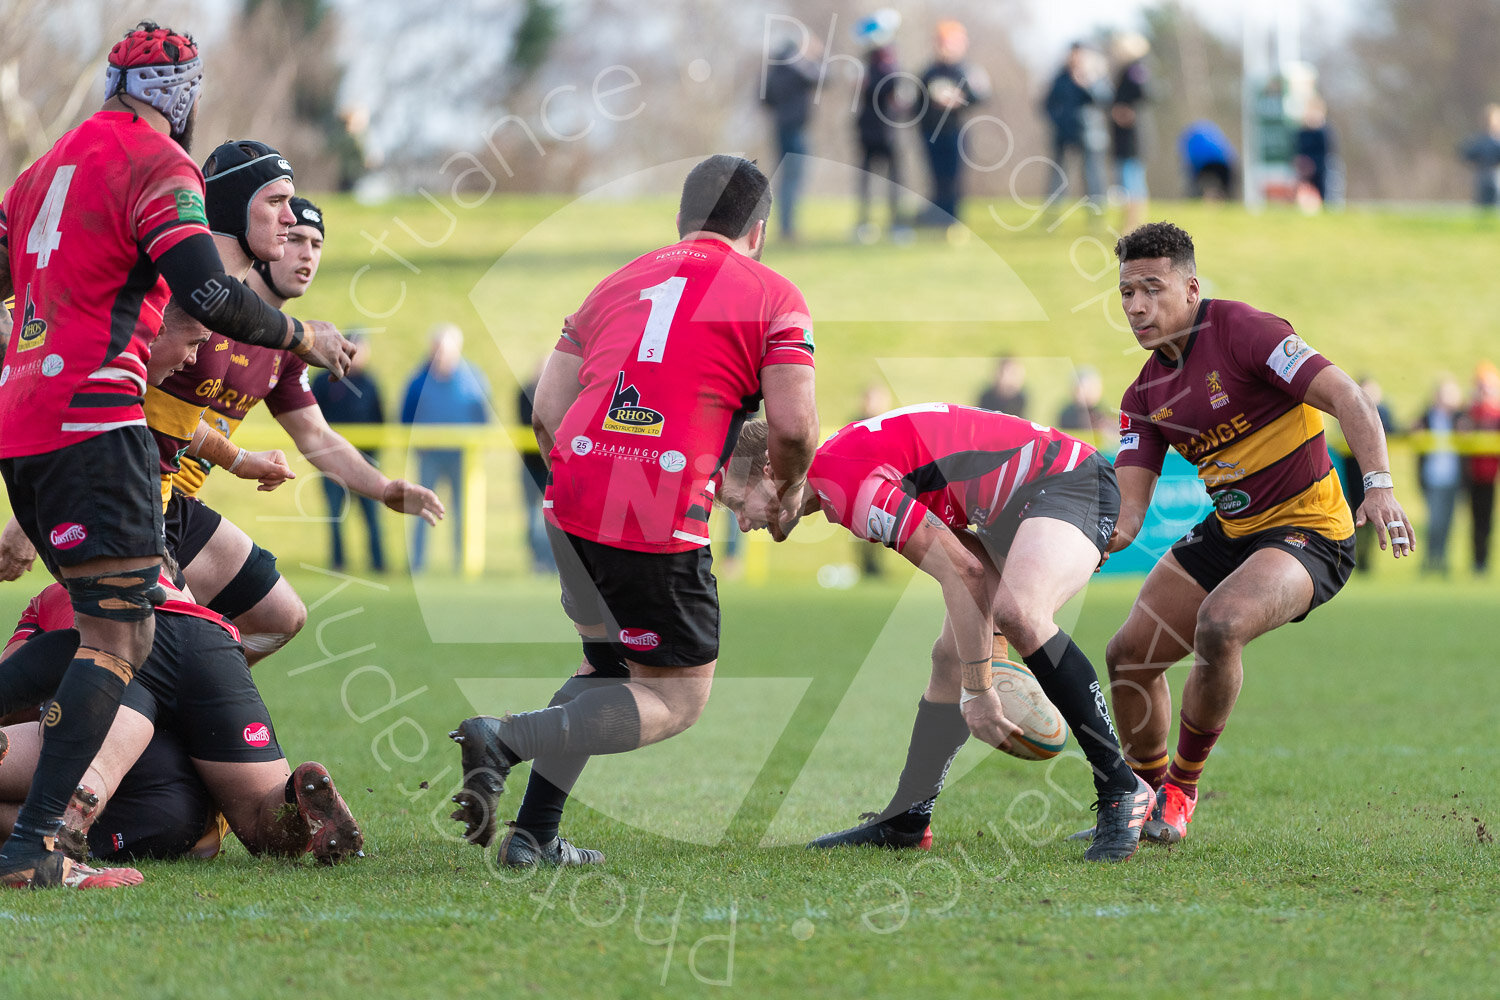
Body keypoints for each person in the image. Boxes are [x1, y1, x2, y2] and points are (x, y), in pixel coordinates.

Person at [0, 21, 353, 890]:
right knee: (122, 633)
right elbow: (208, 290)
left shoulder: (42, 170)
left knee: (109, 627)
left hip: (25, 421)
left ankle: (46, 829)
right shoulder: (159, 163)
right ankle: (37, 849)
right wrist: (301, 336)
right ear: (185, 97)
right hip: (97, 420)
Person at [449, 155, 819, 867]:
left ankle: (533, 835)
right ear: (758, 231)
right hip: (655, 514)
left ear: (680, 220)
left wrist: (588, 482)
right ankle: (505, 739)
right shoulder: (773, 293)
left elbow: (547, 411)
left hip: (569, 501)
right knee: (677, 699)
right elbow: (796, 427)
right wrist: (790, 490)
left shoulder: (617, 282)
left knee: (607, 669)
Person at [723, 404, 1153, 862]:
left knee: (1019, 614)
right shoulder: (839, 472)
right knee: (951, 657)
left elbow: (964, 572)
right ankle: (907, 819)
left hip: (1068, 479)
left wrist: (980, 691)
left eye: (737, 504)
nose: (743, 523)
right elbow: (959, 554)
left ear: (769, 471)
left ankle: (1121, 788)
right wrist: (979, 662)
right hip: (1012, 508)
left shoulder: (846, 483)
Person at [1102, 222, 1413, 846]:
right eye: (1127, 293)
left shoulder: (1245, 330)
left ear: (1192, 289)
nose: (1137, 307)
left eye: (1152, 289)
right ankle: (1143, 799)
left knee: (1220, 624)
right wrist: (1058, 542)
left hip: (1311, 530)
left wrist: (1378, 485)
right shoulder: (1143, 397)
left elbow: (1349, 397)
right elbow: (1127, 518)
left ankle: (1181, 790)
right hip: (1231, 530)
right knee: (1128, 657)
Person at [149, 182, 442, 662]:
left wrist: (384, 488)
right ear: (262, 244)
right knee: (161, 643)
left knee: (279, 618)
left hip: (179, 506)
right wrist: (238, 458)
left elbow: (317, 435)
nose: (306, 253)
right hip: (136, 491)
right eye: (295, 238)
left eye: (317, 244)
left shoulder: (284, 350)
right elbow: (143, 406)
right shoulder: (204, 306)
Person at [0, 570, 363, 867]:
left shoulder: (47, 601)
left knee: (89, 761)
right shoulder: (161, 567)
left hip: (119, 642)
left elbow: (12, 690)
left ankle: (69, 813)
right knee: (261, 823)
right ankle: (291, 799)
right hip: (208, 639)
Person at [401, 324, 488, 572]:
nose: (441, 355)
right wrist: (415, 445)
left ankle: (463, 565)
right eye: (437, 349)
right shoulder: (418, 381)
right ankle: (417, 564)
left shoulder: (473, 377)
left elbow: (483, 415)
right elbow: (405, 417)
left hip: (463, 457)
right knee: (422, 508)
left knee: (463, 511)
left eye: (446, 350)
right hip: (429, 456)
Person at [312, 332, 387, 574]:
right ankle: (338, 563)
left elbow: (381, 420)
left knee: (371, 515)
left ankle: (378, 564)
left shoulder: (371, 383)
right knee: (335, 515)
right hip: (331, 462)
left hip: (365, 460)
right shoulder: (324, 380)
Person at [915, 21, 989, 227]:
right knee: (937, 178)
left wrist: (959, 99)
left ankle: (952, 220)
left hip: (955, 131)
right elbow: (917, 104)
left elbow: (980, 96)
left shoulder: (966, 71)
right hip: (931, 132)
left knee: (954, 179)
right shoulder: (930, 72)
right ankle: (937, 219)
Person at [852, 10, 908, 243]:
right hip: (875, 130)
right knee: (871, 179)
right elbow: (882, 88)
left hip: (884, 128)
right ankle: (866, 224)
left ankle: (895, 223)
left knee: (893, 179)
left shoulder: (881, 62)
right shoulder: (875, 63)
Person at [761, 34, 822, 242]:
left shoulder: (773, 71)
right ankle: (788, 229)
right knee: (793, 179)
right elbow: (822, 78)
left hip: (780, 128)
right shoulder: (797, 69)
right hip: (796, 130)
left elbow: (764, 99)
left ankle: (785, 226)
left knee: (785, 178)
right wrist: (817, 56)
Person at [1043, 43, 1110, 215]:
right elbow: (1048, 103)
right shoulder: (1061, 77)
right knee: (1059, 172)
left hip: (1090, 132)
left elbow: (1105, 99)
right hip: (1065, 132)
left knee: (1092, 172)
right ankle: (1053, 210)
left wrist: (1087, 84)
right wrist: (1058, 120)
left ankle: (1095, 209)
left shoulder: (1096, 75)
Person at [1340, 375, 1398, 573]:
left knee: (1372, 519)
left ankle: (1365, 559)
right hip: (1353, 473)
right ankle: (1352, 556)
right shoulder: (1348, 410)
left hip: (1373, 477)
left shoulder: (1382, 411)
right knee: (1353, 516)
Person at [1413, 376, 1464, 577]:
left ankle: (1442, 559)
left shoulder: (1459, 418)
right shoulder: (1426, 416)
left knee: (1447, 522)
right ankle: (1430, 559)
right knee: (1434, 521)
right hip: (1432, 476)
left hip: (1453, 477)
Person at [516, 364, 557, 574]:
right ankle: (538, 561)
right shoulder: (525, 393)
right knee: (533, 518)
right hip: (532, 465)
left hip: (552, 467)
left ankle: (552, 562)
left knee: (554, 519)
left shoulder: (560, 391)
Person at [1109, 33, 1151, 232]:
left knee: (1131, 179)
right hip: (1125, 136)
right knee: (1128, 179)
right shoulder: (1128, 69)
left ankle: (1133, 223)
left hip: (1132, 136)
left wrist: (1126, 111)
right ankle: (1130, 222)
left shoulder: (1136, 68)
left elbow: (1145, 93)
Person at [1463, 362, 1500, 575]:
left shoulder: (1496, 413)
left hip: (1490, 475)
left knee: (1486, 520)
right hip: (1471, 474)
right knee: (1473, 519)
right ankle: (1476, 561)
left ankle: (1483, 561)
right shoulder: (1472, 411)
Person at [1179, 120, 1236, 199]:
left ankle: (1202, 197)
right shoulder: (1212, 136)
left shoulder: (1191, 139)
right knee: (1226, 189)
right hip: (1222, 162)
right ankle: (1222, 197)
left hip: (1207, 163)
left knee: (1195, 188)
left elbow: (1189, 163)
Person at [1458, 104, 1500, 209]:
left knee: (1488, 204)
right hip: (1488, 173)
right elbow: (1466, 154)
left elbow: (1466, 154)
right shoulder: (1483, 141)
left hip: (1486, 173)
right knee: (1487, 204)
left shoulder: (1480, 141)